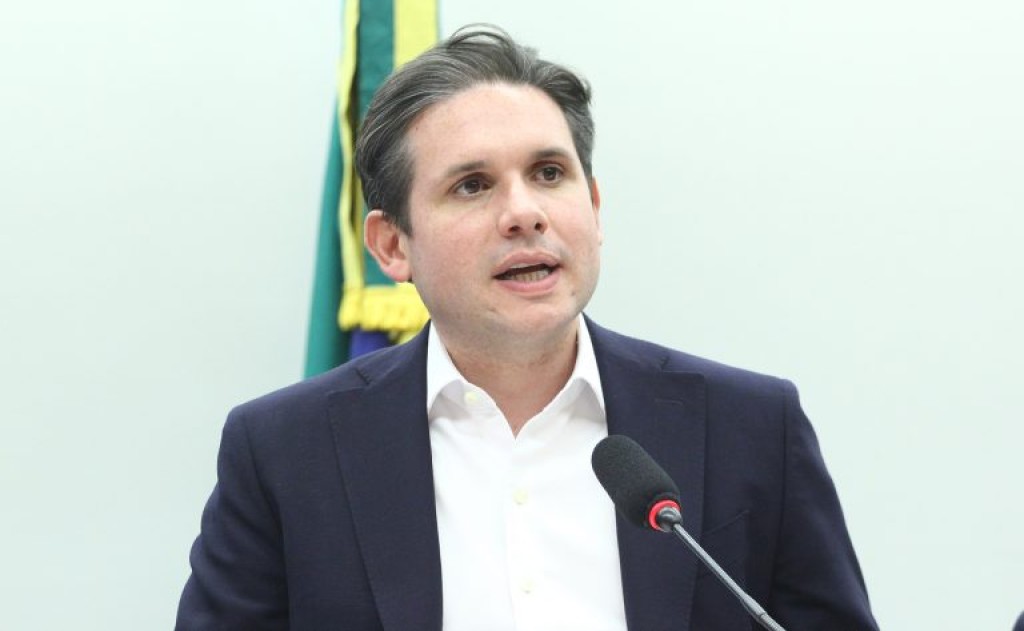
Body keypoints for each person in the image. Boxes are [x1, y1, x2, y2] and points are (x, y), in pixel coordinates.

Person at [176, 25, 879, 630]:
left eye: (548, 173)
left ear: (594, 207)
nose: (524, 213)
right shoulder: (284, 453)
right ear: (392, 246)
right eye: (472, 185)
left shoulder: (751, 429)